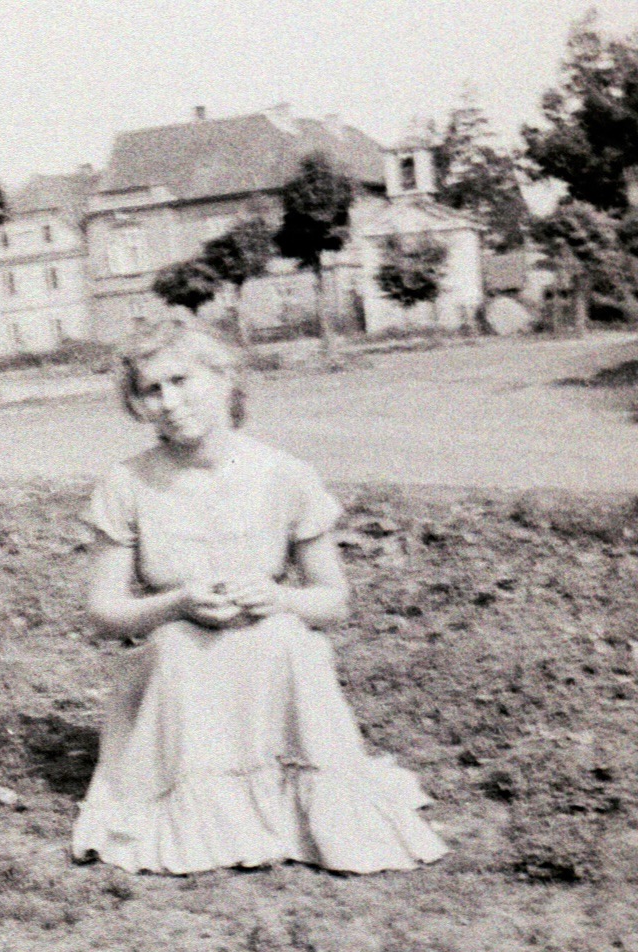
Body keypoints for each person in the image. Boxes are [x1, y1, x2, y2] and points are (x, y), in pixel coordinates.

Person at [75, 320, 448, 875]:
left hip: (269, 658)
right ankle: (198, 816)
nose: (169, 402)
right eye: (151, 391)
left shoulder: (285, 475)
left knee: (286, 638)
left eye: (180, 380)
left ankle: (303, 808)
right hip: (175, 668)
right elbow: (104, 613)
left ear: (224, 379)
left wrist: (281, 599)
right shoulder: (126, 483)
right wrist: (177, 604)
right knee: (179, 644)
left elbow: (333, 601)